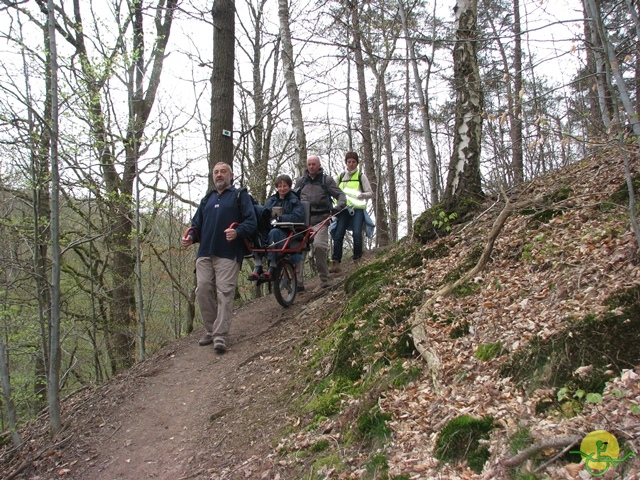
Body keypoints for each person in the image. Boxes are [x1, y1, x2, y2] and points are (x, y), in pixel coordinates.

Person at [181, 162, 257, 353]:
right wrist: (190, 237)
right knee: (203, 290)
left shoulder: (240, 196)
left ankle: (220, 335)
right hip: (205, 253)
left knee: (224, 293)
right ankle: (211, 329)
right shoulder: (207, 198)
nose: (219, 175)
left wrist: (237, 232)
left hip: (229, 253)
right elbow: (196, 225)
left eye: (223, 172)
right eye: (216, 172)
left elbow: (251, 222)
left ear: (231, 175)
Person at [294, 155, 346, 291]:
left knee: (319, 246)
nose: (311, 167)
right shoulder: (300, 182)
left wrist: (337, 208)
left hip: (321, 220)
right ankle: (297, 284)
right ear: (307, 166)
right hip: (303, 222)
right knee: (297, 249)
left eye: (314, 164)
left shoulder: (326, 180)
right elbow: (293, 199)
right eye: (309, 164)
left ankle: (325, 279)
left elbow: (341, 195)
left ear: (319, 165)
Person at [247, 174, 305, 281]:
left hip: (288, 232)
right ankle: (258, 265)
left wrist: (280, 219)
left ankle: (272, 266)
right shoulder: (272, 200)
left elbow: (298, 216)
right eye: (279, 186)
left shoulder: (295, 201)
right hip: (270, 229)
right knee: (255, 230)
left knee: (274, 233)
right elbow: (265, 213)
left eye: (284, 186)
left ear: (289, 186)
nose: (282, 189)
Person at [330, 151, 373, 272]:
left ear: (357, 163)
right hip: (343, 210)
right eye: (349, 162)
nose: (351, 164)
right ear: (346, 162)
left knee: (357, 234)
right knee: (338, 234)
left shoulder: (361, 176)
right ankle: (335, 262)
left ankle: (357, 259)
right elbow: (331, 188)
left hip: (357, 210)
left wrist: (362, 195)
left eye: (353, 162)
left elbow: (370, 193)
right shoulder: (340, 176)